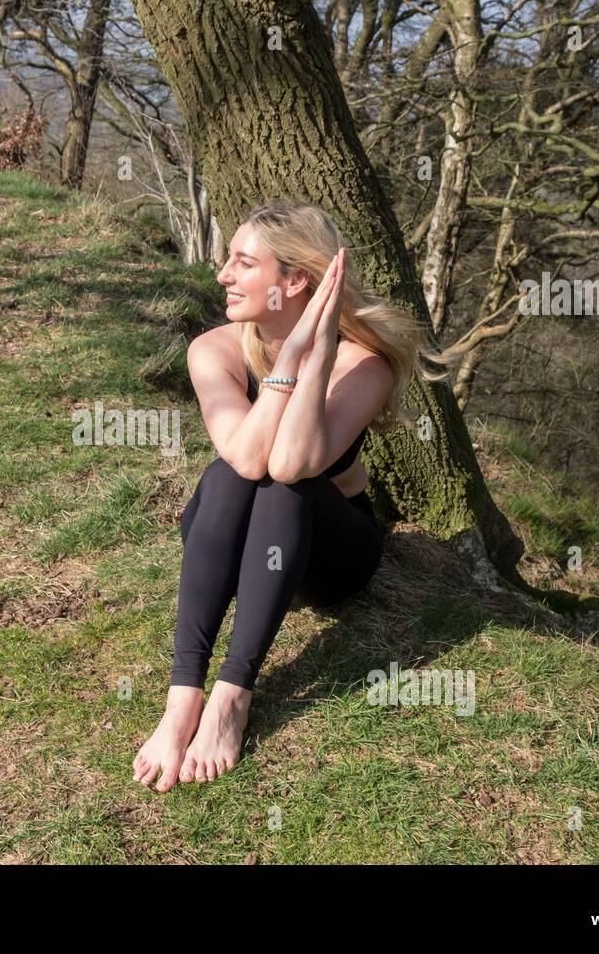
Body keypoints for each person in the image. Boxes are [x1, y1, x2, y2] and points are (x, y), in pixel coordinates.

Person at [133, 198, 451, 792]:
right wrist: (286, 363)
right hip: (237, 541)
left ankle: (231, 696)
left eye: (242, 263)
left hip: (328, 552)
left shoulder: (363, 364)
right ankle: (183, 697)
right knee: (228, 474)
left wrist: (316, 351)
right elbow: (249, 457)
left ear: (295, 280)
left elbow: (290, 462)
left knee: (288, 487)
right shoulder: (215, 349)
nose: (222, 274)